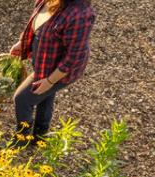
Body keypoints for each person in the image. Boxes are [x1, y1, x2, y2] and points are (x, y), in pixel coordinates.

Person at [9, 0, 96, 146]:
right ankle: (40, 136)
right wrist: (23, 43)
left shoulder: (80, 14)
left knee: (22, 99)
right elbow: (37, 22)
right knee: (44, 96)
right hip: (44, 61)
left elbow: (74, 57)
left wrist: (49, 81)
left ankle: (21, 140)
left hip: (59, 71)